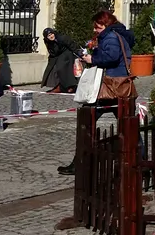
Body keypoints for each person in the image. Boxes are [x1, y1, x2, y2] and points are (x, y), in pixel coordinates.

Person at [58, 10, 135, 175]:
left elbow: (112, 57)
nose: (95, 29)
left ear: (106, 24)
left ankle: (80, 163)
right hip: (116, 87)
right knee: (127, 125)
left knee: (87, 120)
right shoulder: (114, 35)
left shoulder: (111, 37)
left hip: (110, 87)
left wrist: (92, 59)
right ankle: (137, 161)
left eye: (97, 26)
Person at [40, 27, 82, 94]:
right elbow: (52, 52)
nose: (51, 36)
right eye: (49, 36)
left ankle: (70, 86)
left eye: (51, 34)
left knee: (61, 67)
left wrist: (79, 54)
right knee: (52, 68)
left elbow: (72, 45)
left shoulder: (62, 38)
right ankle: (59, 86)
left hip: (67, 52)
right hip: (57, 55)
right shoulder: (48, 42)